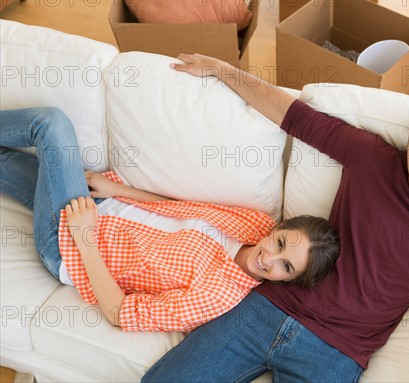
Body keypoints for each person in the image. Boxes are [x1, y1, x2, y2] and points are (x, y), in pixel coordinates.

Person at [141, 54, 409, 382]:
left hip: (334, 353)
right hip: (264, 310)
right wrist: (223, 70)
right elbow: (296, 117)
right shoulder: (372, 158)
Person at [0, 107, 340, 332]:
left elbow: (121, 313)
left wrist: (86, 239)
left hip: (69, 245)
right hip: (96, 201)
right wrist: (119, 191)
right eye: (280, 244)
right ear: (279, 229)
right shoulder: (254, 223)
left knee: (50, 124)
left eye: (285, 267)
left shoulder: (218, 296)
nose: (269, 258)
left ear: (288, 280)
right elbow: (179, 209)